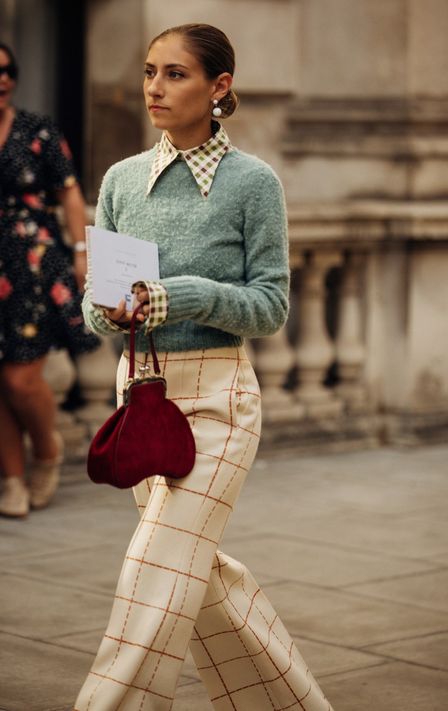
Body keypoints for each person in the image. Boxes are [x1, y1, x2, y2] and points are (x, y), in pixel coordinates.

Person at [75, 24, 332, 711]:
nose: (155, 87)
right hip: (143, 397)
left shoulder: (254, 184)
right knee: (195, 574)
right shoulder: (122, 180)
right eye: (151, 72)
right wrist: (112, 307)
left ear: (219, 87)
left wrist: (176, 294)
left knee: (151, 572)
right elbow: (99, 311)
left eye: (176, 74)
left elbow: (272, 305)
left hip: (220, 399)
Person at [0, 43, 100, 518]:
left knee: (21, 378)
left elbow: (70, 193)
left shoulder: (37, 130)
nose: (1, 80)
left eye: (6, 71)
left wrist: (82, 252)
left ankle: (47, 452)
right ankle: (12, 480)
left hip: (31, 264)